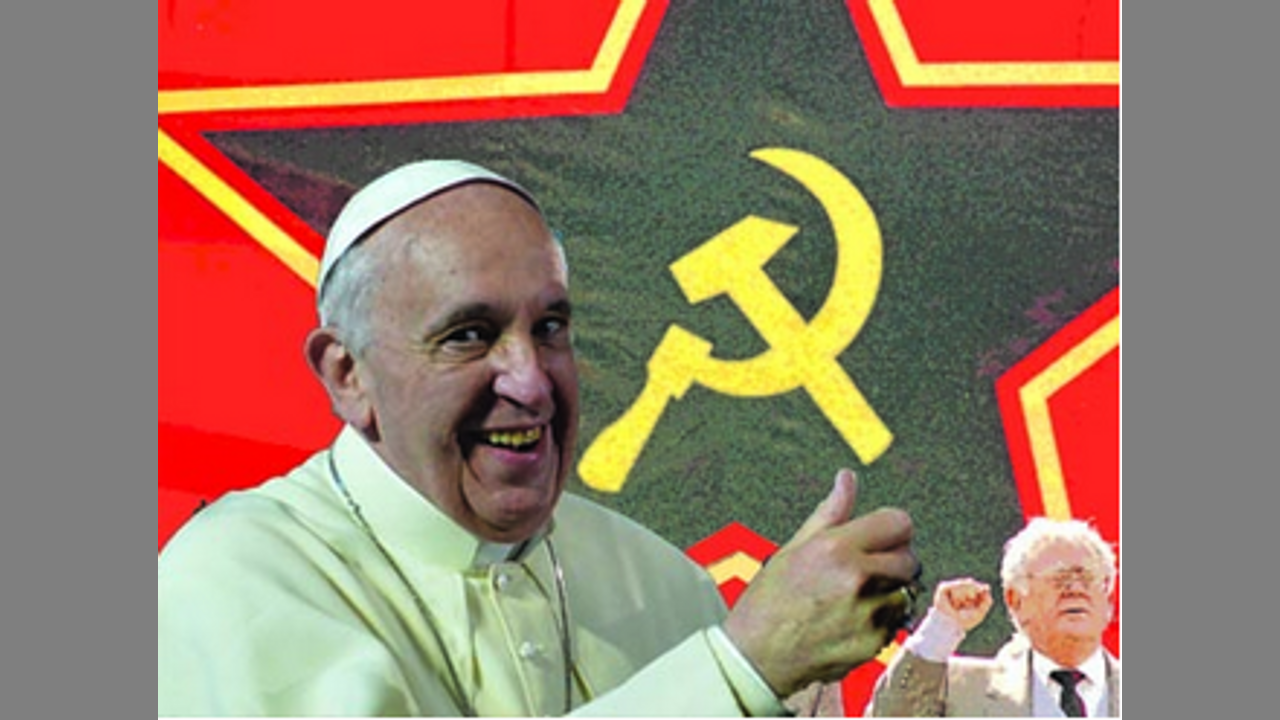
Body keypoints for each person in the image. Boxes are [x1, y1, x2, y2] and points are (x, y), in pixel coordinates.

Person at [157, 160, 920, 716]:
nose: (530, 381)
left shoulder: (663, 586)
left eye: (550, 326)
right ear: (347, 373)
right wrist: (735, 672)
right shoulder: (231, 582)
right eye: (468, 334)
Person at [867, 518, 1119, 717]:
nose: (1076, 589)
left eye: (1089, 577)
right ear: (1016, 600)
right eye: (1059, 578)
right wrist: (943, 627)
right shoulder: (960, 689)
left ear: (1108, 598)